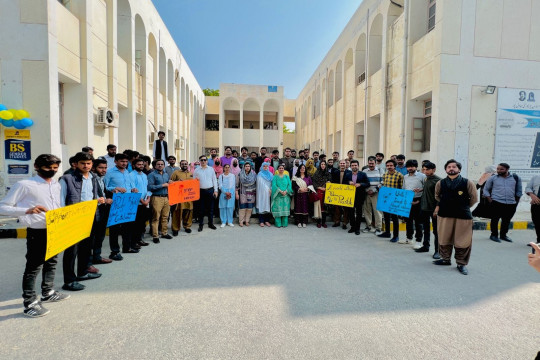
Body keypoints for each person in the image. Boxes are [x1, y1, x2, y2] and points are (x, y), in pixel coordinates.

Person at [0, 154, 69, 317]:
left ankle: (48, 291)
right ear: (36, 167)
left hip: (54, 228)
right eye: (48, 168)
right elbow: (3, 207)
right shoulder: (25, 185)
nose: (52, 171)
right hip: (37, 231)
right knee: (34, 266)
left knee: (52, 261)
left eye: (55, 168)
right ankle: (30, 302)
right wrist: (26, 210)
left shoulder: (56, 185)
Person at [60, 152, 104, 292]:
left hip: (90, 216)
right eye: (83, 163)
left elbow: (93, 195)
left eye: (88, 163)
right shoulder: (67, 179)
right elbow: (61, 201)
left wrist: (99, 200)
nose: (86, 166)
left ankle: (83, 273)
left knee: (86, 247)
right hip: (74, 218)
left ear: (92, 165)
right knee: (72, 251)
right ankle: (69, 280)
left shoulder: (93, 177)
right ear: (76, 164)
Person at [433, 159, 478, 275]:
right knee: (444, 238)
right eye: (449, 167)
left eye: (454, 167)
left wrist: (463, 206)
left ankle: (461, 263)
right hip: (444, 215)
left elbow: (474, 199)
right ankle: (445, 259)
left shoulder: (467, 183)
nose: (451, 168)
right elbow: (437, 196)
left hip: (463, 216)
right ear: (446, 170)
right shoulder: (440, 183)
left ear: (459, 169)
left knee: (462, 241)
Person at [103, 153, 139, 259]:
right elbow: (105, 187)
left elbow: (130, 185)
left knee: (127, 226)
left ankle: (127, 247)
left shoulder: (127, 172)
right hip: (116, 202)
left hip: (128, 201)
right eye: (122, 161)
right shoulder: (109, 172)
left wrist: (133, 189)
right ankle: (114, 251)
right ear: (115, 161)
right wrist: (115, 188)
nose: (124, 163)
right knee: (115, 228)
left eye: (126, 161)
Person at [483, 163, 522, 243]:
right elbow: (486, 189)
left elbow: (519, 190)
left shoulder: (515, 178)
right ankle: (494, 235)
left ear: (507, 169)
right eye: (498, 169)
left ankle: (503, 235)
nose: (499, 171)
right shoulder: (493, 178)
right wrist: (490, 199)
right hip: (496, 202)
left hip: (511, 203)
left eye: (501, 169)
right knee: (495, 220)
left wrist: (516, 201)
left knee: (506, 220)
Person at [90, 159, 113, 266]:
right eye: (101, 168)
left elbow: (103, 191)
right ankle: (89, 261)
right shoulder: (90, 179)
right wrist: (103, 200)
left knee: (100, 235)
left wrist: (109, 195)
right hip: (93, 211)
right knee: (92, 237)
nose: (104, 170)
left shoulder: (101, 179)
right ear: (94, 168)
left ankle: (97, 257)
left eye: (105, 168)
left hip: (103, 209)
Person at [416, 161, 442, 258]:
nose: (425, 171)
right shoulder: (427, 179)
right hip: (424, 208)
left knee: (436, 231)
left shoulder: (439, 181)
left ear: (434, 169)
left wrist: (437, 208)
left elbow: (441, 196)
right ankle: (425, 246)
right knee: (425, 228)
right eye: (424, 169)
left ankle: (437, 251)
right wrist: (421, 190)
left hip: (434, 209)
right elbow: (429, 190)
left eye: (427, 169)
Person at [378, 159, 404, 242]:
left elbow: (402, 188)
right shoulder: (385, 175)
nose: (389, 167)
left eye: (391, 166)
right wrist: (380, 186)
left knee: (394, 218)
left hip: (395, 199)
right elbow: (383, 184)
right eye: (388, 166)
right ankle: (387, 232)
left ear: (394, 166)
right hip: (386, 198)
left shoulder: (399, 175)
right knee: (386, 217)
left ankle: (396, 236)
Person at [147, 159, 173, 243]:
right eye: (158, 164)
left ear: (164, 165)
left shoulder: (166, 175)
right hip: (156, 197)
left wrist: (171, 182)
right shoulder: (151, 175)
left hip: (166, 197)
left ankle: (164, 233)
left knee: (165, 217)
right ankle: (155, 235)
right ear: (155, 166)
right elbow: (150, 187)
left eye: (162, 164)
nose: (160, 165)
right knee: (156, 217)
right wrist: (162, 185)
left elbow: (168, 184)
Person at [402, 159, 426, 247]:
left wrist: (421, 190)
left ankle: (419, 241)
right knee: (408, 221)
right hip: (408, 200)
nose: (410, 168)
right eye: (408, 167)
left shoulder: (422, 176)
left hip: (419, 200)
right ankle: (409, 238)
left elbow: (426, 188)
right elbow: (404, 188)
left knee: (418, 222)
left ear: (416, 167)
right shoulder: (405, 177)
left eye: (412, 166)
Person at [344, 160, 370, 235]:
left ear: (358, 166)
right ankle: (352, 227)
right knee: (351, 212)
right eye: (353, 165)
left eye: (355, 165)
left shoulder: (363, 174)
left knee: (359, 213)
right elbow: (344, 183)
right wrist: (349, 182)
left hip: (359, 196)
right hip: (350, 196)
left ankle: (357, 228)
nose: (354, 167)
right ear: (350, 166)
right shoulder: (348, 174)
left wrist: (360, 184)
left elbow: (368, 183)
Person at [130, 158, 151, 247]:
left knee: (142, 223)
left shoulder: (144, 175)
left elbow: (146, 189)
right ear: (134, 165)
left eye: (142, 164)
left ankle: (140, 239)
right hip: (136, 203)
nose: (141, 166)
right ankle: (134, 241)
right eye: (139, 164)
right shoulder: (131, 175)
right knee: (136, 224)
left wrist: (148, 199)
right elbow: (133, 190)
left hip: (145, 202)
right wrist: (143, 201)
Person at [194, 155, 218, 231]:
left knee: (210, 209)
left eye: (204, 160)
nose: (203, 161)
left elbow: (214, 180)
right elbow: (193, 182)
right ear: (200, 161)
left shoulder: (211, 169)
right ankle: (201, 224)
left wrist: (216, 190)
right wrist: (196, 180)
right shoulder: (196, 170)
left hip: (210, 190)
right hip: (201, 191)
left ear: (207, 161)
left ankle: (210, 223)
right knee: (201, 209)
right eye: (202, 160)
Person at [170, 160, 195, 235]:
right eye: (182, 164)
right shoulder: (176, 173)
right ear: (180, 165)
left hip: (188, 196)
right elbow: (171, 182)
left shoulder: (191, 173)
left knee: (188, 211)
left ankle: (187, 226)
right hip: (179, 196)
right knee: (177, 212)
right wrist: (178, 181)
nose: (184, 165)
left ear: (188, 165)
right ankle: (175, 229)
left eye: (186, 164)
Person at [362, 158, 383, 235]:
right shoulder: (364, 171)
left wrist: (374, 190)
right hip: (366, 192)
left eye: (372, 163)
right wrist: (367, 190)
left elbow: (382, 182)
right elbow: (362, 181)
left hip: (376, 193)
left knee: (377, 211)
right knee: (367, 211)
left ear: (375, 163)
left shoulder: (380, 170)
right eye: (369, 163)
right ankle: (369, 226)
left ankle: (378, 228)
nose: (371, 165)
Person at [331, 160, 351, 230]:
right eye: (341, 163)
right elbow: (332, 181)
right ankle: (337, 221)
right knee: (337, 208)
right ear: (339, 164)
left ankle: (345, 223)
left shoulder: (349, 172)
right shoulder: (335, 172)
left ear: (346, 164)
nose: (342, 164)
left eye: (343, 163)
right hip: (337, 192)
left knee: (346, 209)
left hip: (346, 193)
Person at [311, 160, 331, 228]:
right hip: (318, 192)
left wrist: (328, 183)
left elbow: (330, 182)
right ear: (320, 165)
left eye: (324, 164)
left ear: (326, 165)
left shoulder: (328, 173)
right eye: (321, 164)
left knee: (324, 208)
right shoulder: (316, 173)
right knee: (318, 207)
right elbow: (313, 183)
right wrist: (320, 187)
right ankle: (318, 222)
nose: (323, 165)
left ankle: (324, 222)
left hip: (326, 192)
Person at [256, 162, 273, 226]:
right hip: (261, 193)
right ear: (262, 167)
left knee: (267, 205)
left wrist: (271, 189)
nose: (265, 167)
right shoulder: (260, 174)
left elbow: (272, 183)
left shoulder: (271, 174)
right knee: (262, 205)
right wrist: (267, 189)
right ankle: (261, 221)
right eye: (264, 166)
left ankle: (267, 221)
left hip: (269, 192)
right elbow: (260, 184)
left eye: (267, 166)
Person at [525, 174, 540, 245]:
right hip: (536, 203)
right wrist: (532, 195)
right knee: (537, 222)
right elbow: (528, 188)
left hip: (536, 201)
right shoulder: (536, 177)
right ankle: (539, 241)